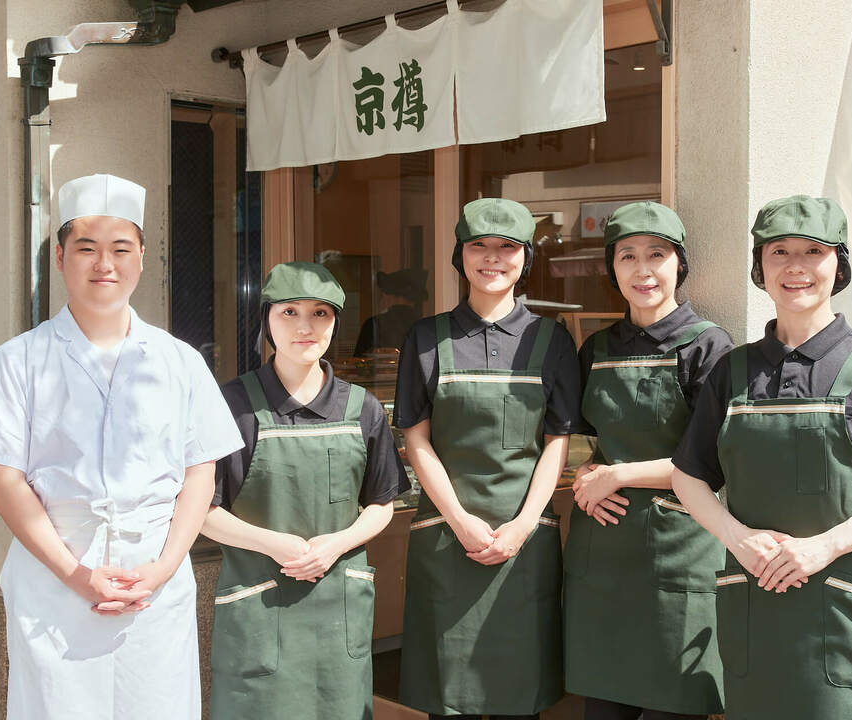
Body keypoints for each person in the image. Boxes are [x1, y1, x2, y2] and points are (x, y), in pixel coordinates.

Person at [0, 173, 243, 720]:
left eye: (120, 249)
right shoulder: (18, 361)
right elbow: (3, 481)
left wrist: (162, 567)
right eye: (86, 249)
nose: (103, 264)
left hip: (153, 579)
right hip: (54, 578)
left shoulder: (179, 361)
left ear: (141, 259)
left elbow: (199, 472)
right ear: (60, 259)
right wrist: (76, 574)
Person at [670, 195, 852, 720]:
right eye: (779, 251)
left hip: (841, 617)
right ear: (759, 267)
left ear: (839, 265)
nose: (796, 267)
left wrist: (824, 547)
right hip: (754, 615)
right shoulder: (732, 373)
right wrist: (738, 538)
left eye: (814, 251)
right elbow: (688, 478)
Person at [395, 198, 582, 719]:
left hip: (525, 543)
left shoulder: (552, 340)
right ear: (460, 255)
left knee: (519, 698)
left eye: (508, 247)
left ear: (526, 258)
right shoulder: (427, 338)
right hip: (446, 538)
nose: (493, 258)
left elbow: (557, 442)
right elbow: (417, 439)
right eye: (480, 245)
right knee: (447, 697)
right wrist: (460, 520)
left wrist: (523, 525)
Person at [204, 261, 409, 719]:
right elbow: (202, 510)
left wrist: (337, 544)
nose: (305, 326)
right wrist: (274, 544)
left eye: (320, 313)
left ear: (336, 323)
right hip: (261, 607)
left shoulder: (363, 409)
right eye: (289, 312)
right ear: (267, 321)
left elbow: (382, 503)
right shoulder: (233, 406)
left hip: (337, 612)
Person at [565, 202, 733, 720]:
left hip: (679, 544)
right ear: (611, 269)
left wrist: (619, 474)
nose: (643, 270)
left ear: (679, 264)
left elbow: (716, 459)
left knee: (674, 701)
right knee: (603, 705)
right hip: (605, 548)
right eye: (627, 256)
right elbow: (579, 439)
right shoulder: (595, 349)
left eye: (656, 255)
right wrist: (586, 475)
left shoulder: (707, 346)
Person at [354, 267, 427, 355]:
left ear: (389, 295)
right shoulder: (424, 326)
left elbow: (359, 361)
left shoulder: (374, 324)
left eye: (384, 292)